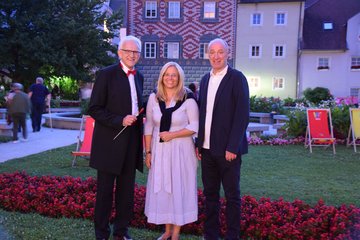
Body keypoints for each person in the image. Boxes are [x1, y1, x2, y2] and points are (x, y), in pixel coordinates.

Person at [88, 35, 144, 240]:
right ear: (120, 53)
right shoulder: (105, 74)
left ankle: (121, 232)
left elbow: (136, 104)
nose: (132, 55)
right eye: (128, 51)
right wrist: (120, 120)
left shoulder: (140, 76)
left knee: (126, 193)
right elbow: (94, 108)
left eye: (136, 52)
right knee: (104, 193)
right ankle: (102, 234)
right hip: (109, 143)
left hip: (131, 143)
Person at [196, 38, 249, 240]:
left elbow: (242, 114)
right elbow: (203, 114)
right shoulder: (205, 79)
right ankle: (211, 235)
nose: (216, 56)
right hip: (207, 150)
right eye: (212, 52)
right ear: (208, 54)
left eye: (220, 52)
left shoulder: (237, 78)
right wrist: (199, 143)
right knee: (210, 196)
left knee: (232, 196)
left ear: (228, 54)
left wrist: (232, 146)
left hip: (228, 151)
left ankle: (232, 236)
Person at [144, 62, 199, 240]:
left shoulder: (187, 98)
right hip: (159, 151)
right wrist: (148, 152)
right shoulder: (154, 97)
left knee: (179, 189)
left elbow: (195, 126)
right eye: (167, 74)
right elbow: (149, 126)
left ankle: (175, 233)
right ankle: (167, 230)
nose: (170, 78)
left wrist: (173, 135)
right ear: (161, 76)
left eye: (174, 75)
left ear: (179, 77)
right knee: (164, 189)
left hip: (181, 151)